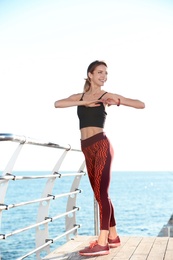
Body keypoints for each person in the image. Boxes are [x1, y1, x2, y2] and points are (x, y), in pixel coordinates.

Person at [54, 60, 145, 256]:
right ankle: (113, 236)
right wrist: (83, 102)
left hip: (101, 145)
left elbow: (141, 104)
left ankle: (102, 242)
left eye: (106, 73)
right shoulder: (80, 96)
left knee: (102, 193)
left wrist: (118, 102)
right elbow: (58, 103)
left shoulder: (106, 95)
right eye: (100, 73)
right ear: (90, 75)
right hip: (86, 147)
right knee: (99, 194)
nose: (104, 76)